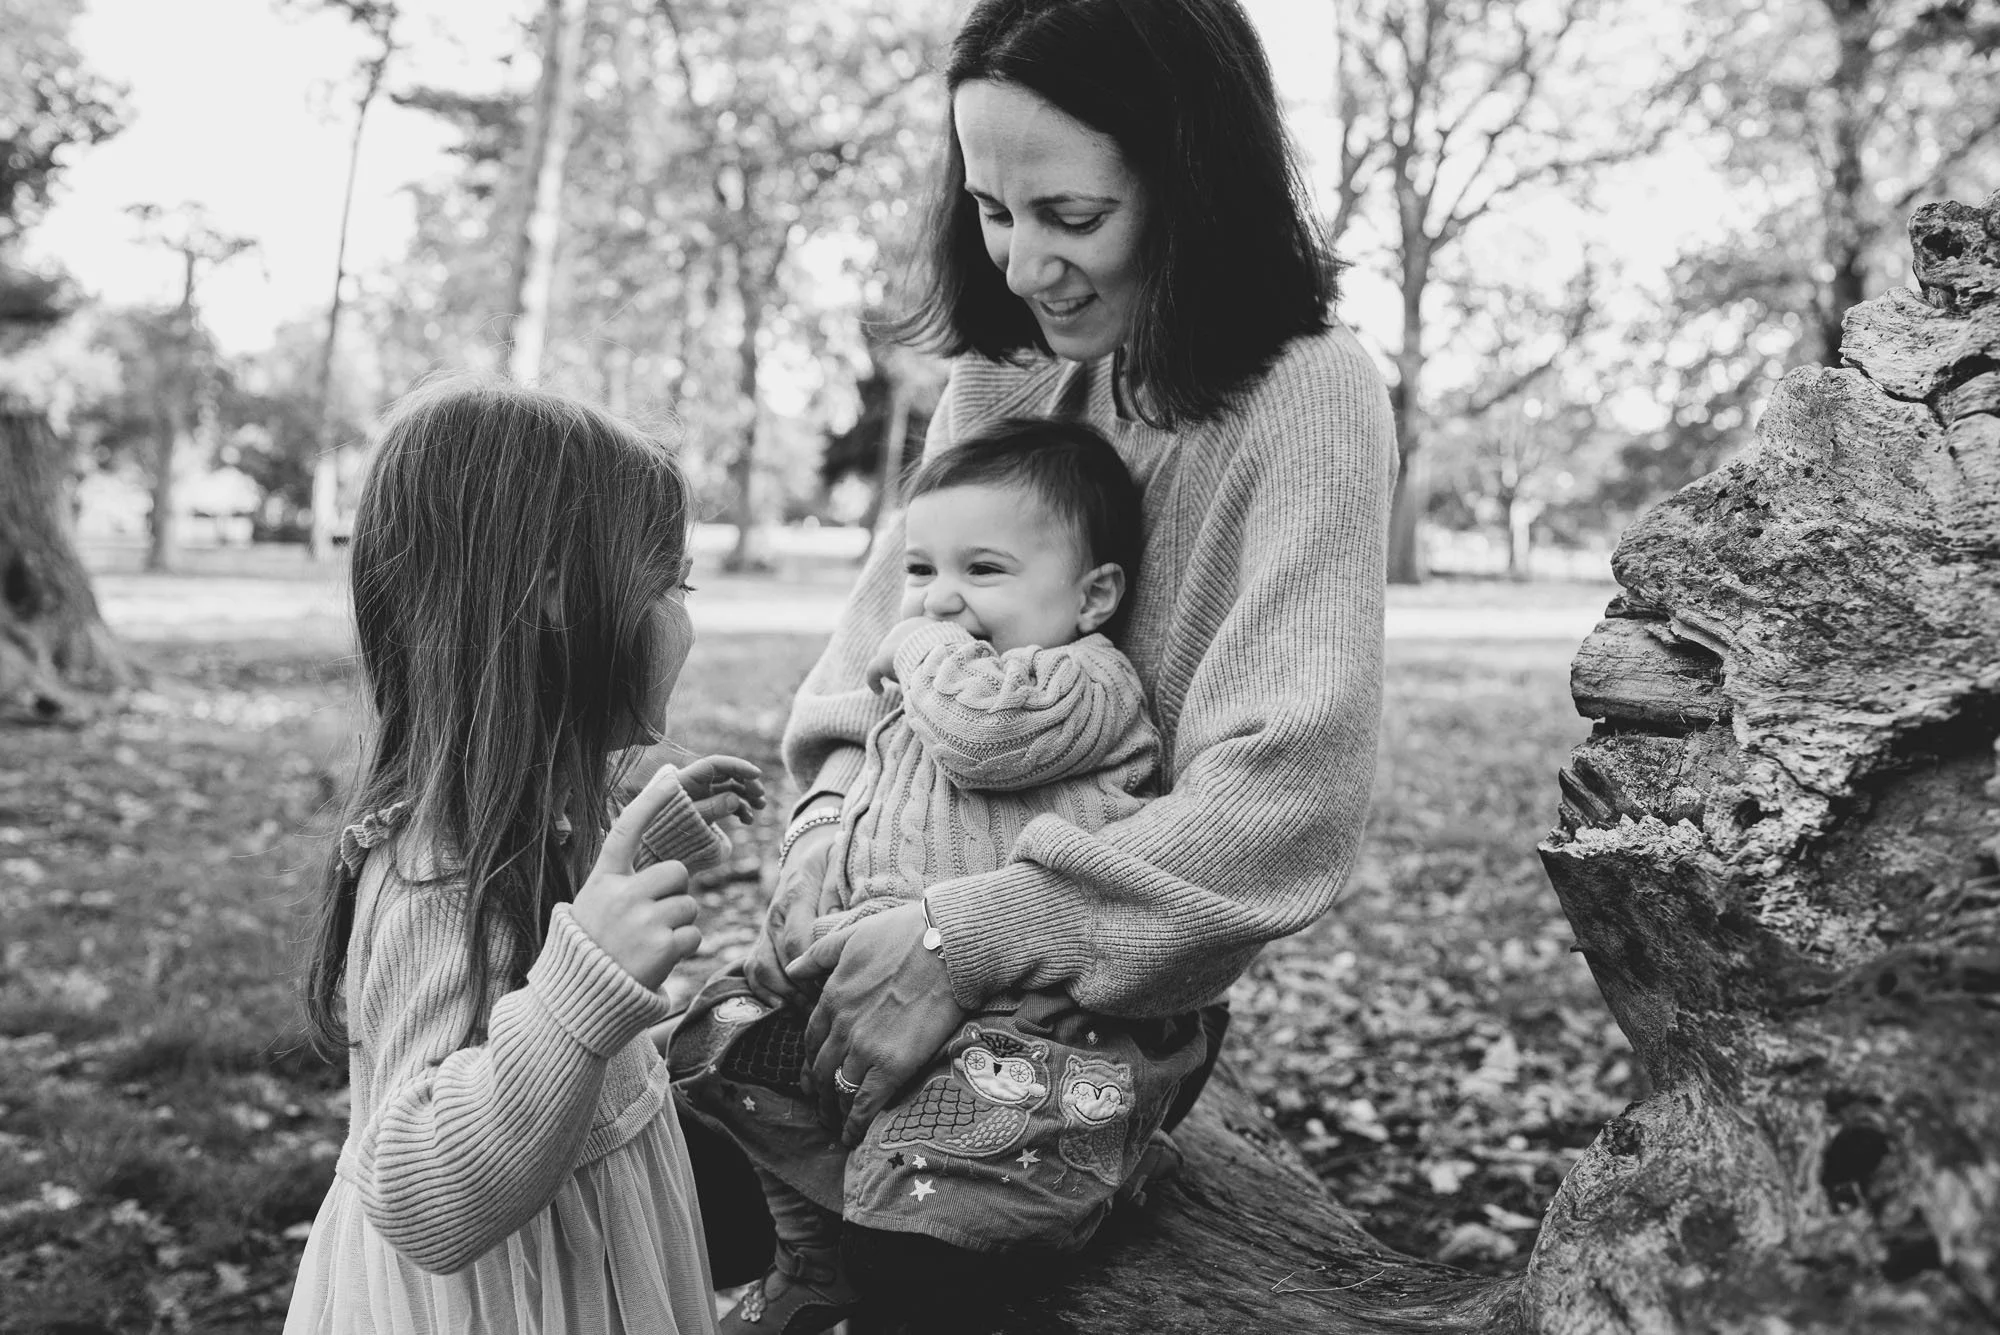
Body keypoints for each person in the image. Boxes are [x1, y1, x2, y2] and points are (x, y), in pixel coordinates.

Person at [693, 0, 1400, 1320]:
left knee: (938, 1264)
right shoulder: (1002, 375)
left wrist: (961, 939)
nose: (1024, 264)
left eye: (1073, 216)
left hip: (1083, 1005)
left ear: (1190, 179)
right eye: (992, 211)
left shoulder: (1310, 392)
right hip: (875, 917)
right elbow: (867, 674)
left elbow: (1284, 797)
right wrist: (816, 856)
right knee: (676, 1132)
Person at [671, 417, 1206, 1332]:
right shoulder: (919, 694)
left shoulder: (1084, 680)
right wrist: (813, 890)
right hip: (885, 973)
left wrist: (916, 648)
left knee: (938, 1206)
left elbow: (985, 737)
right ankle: (811, 1249)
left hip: (1038, 1010)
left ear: (1094, 594)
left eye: (984, 571)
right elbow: (878, 810)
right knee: (710, 1046)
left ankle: (1110, 1174)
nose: (939, 601)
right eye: (920, 571)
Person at [284, 379, 767, 1335]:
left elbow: (532, 979)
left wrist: (641, 832)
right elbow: (426, 1192)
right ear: (554, 596)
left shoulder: (523, 825)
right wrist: (588, 987)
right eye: (671, 583)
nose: (688, 617)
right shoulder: (439, 879)